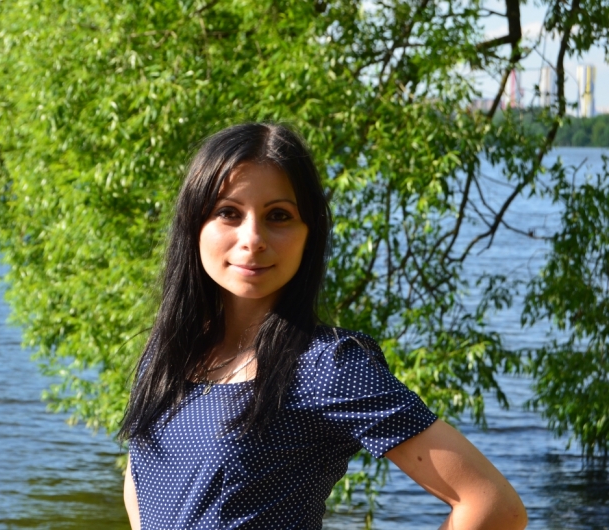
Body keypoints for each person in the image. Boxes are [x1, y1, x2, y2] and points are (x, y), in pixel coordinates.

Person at [118, 123, 527, 530]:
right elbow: (141, 481)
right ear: (194, 224)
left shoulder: (326, 366)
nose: (252, 238)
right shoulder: (170, 349)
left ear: (308, 235)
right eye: (228, 213)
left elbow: (493, 506)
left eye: (279, 216)